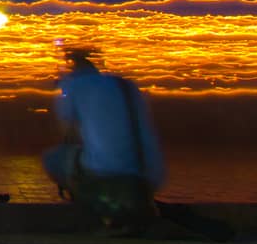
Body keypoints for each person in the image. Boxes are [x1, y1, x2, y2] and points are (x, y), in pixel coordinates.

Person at [42, 48, 165, 233]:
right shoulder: (126, 85)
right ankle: (132, 205)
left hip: (109, 171)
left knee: (54, 159)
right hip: (151, 173)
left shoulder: (74, 86)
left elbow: (67, 132)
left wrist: (62, 92)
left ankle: (100, 211)